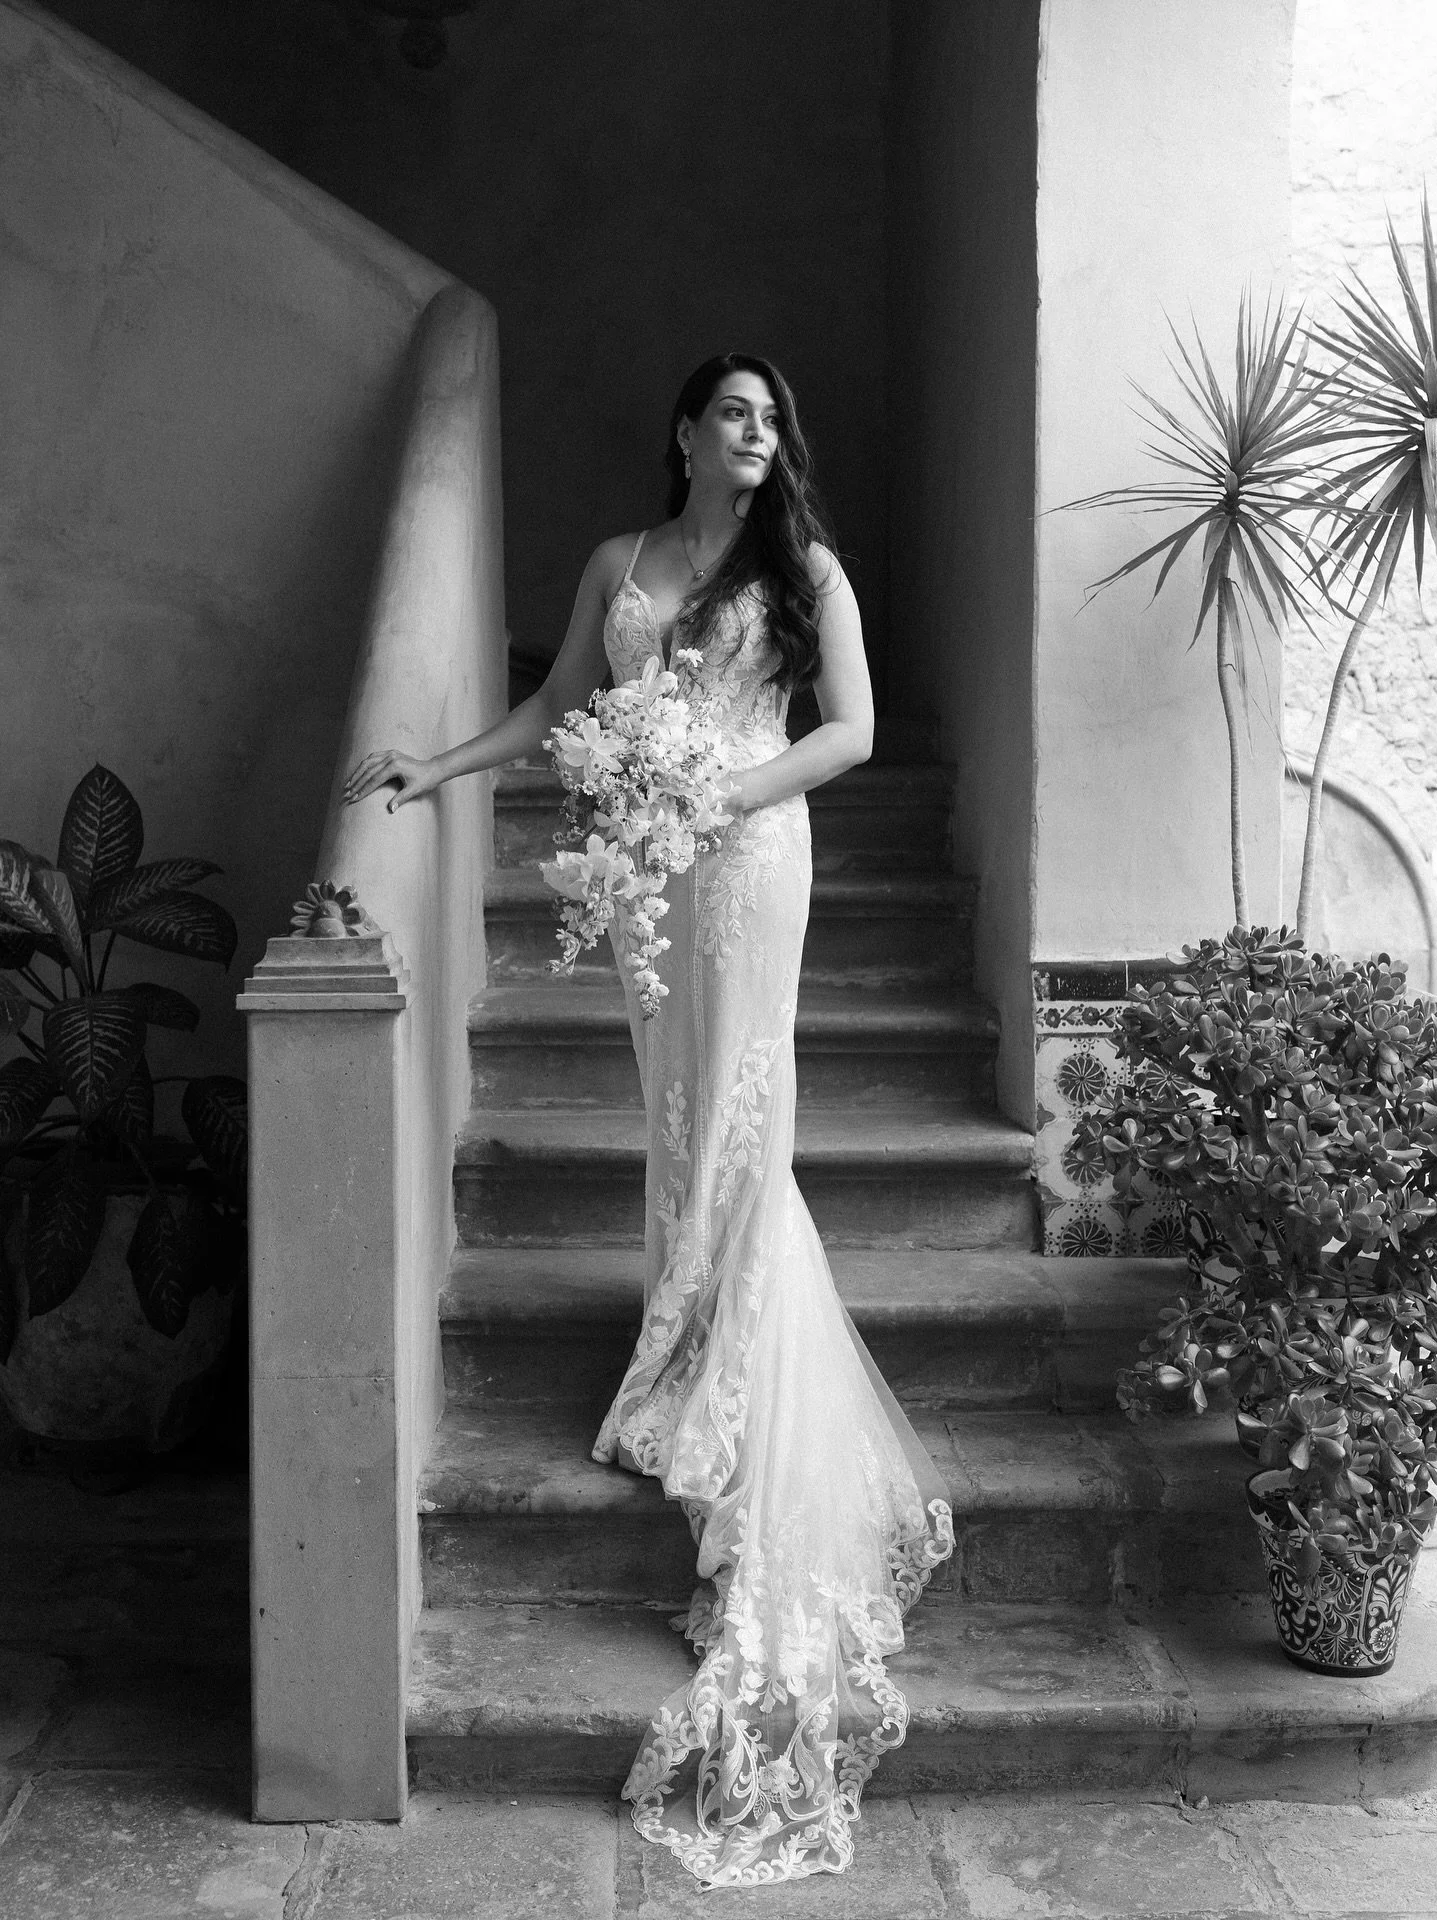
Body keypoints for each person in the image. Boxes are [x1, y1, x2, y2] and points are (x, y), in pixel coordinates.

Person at [344, 352, 954, 1889]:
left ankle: (726, 1368)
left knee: (745, 1102)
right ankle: (680, 1342)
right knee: (675, 1106)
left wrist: (720, 798)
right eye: (733, 412)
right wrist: (435, 766)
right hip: (645, 874)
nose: (758, 433)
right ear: (682, 430)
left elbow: (853, 734)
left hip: (748, 856)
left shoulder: (802, 566)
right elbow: (561, 704)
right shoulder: (617, 563)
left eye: (773, 418)